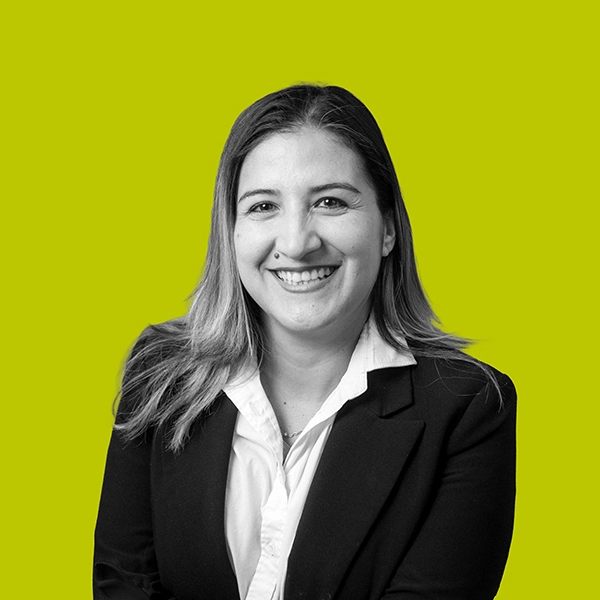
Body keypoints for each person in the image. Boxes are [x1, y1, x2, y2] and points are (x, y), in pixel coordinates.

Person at [94, 84, 516, 600]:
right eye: (263, 206)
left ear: (387, 228)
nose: (296, 243)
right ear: (231, 231)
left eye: (330, 202)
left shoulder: (468, 408)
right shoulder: (161, 375)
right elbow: (125, 584)